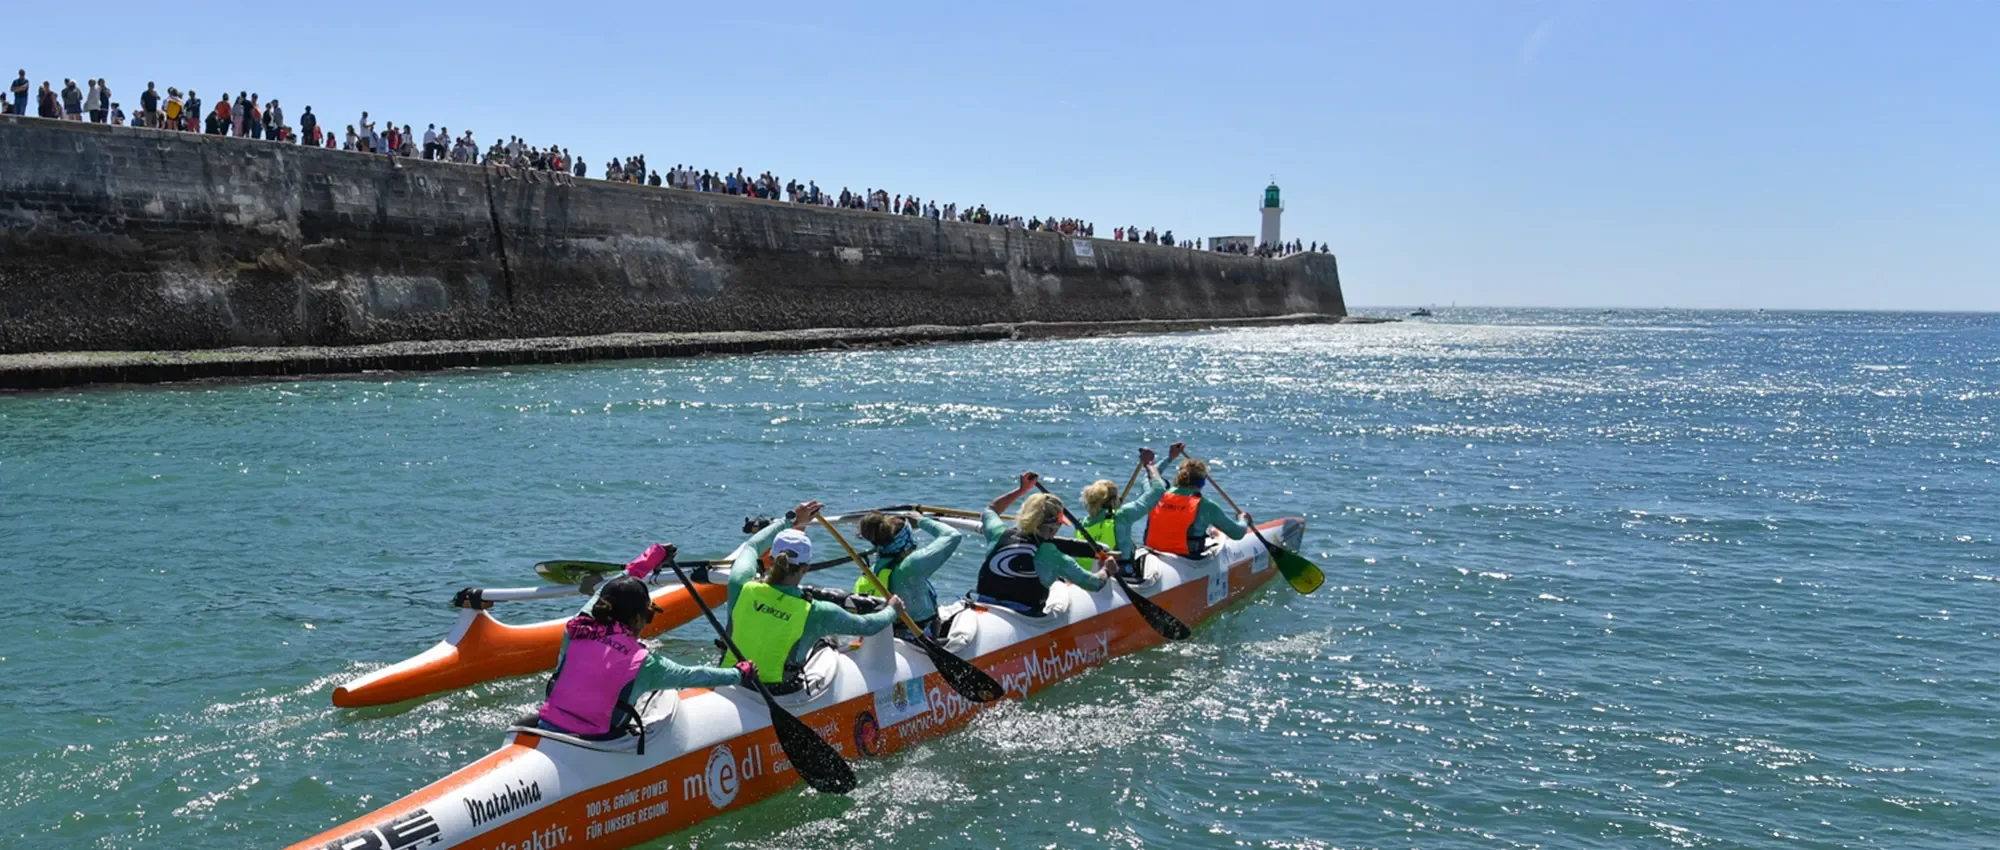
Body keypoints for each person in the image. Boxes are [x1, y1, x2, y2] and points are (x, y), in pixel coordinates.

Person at [537, 543, 755, 742]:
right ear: (637, 619)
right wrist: (738, 673)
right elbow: (692, 675)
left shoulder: (578, 628)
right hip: (597, 739)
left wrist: (655, 555)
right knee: (659, 696)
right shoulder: (643, 663)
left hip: (546, 724)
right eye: (649, 616)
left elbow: (619, 582)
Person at [710, 500, 905, 693]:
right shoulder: (818, 612)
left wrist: (790, 519)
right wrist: (892, 610)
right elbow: (869, 626)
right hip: (779, 691)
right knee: (827, 641)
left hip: (733, 680)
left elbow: (751, 546)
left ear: (769, 559)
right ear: (806, 568)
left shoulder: (740, 584)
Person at [972, 472, 1112, 615]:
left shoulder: (999, 533)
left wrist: (1022, 490)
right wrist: (1106, 569)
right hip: (1024, 616)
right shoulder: (1051, 554)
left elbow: (990, 510)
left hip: (983, 604)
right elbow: (1093, 583)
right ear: (1054, 526)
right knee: (1059, 584)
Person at [1073, 443, 1184, 578]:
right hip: (1122, 575)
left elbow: (1148, 483)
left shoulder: (1081, 524)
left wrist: (1169, 458)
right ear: (1114, 500)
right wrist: (1149, 463)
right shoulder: (1122, 515)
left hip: (1092, 575)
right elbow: (1157, 489)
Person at [852, 510, 964, 638]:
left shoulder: (871, 571)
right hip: (921, 634)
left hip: (889, 633)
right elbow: (953, 535)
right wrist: (922, 521)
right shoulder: (912, 565)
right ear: (907, 537)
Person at [1144, 457, 1252, 558]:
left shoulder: (1156, 495)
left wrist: (1169, 457)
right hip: (1187, 560)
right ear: (1202, 482)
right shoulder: (1206, 506)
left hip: (1153, 553)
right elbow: (1237, 533)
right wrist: (1243, 520)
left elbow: (1148, 475)